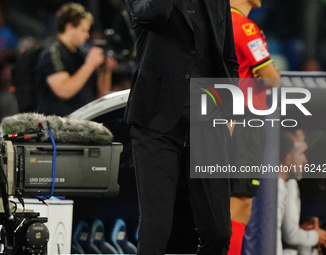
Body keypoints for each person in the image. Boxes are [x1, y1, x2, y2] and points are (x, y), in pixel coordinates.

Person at [124, 0, 239, 254]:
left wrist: (229, 112)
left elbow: (228, 58)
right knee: (156, 229)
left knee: (218, 231)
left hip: (208, 122)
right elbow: (152, 13)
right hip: (155, 123)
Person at [227, 0, 280, 254]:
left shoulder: (216, 24)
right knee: (239, 202)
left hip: (218, 116)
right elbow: (272, 79)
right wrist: (270, 73)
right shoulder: (246, 28)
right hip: (245, 119)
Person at [36, 2, 117, 116]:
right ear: (69, 27)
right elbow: (64, 91)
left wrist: (106, 71)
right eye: (83, 30)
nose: (87, 35)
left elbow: (101, 94)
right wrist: (90, 64)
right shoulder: (52, 53)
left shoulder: (80, 55)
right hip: (59, 125)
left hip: (84, 121)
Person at [277, 130, 326, 255]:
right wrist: (316, 236)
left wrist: (306, 231)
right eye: (302, 153)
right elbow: (289, 234)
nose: (305, 160)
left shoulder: (287, 183)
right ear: (288, 158)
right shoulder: (279, 185)